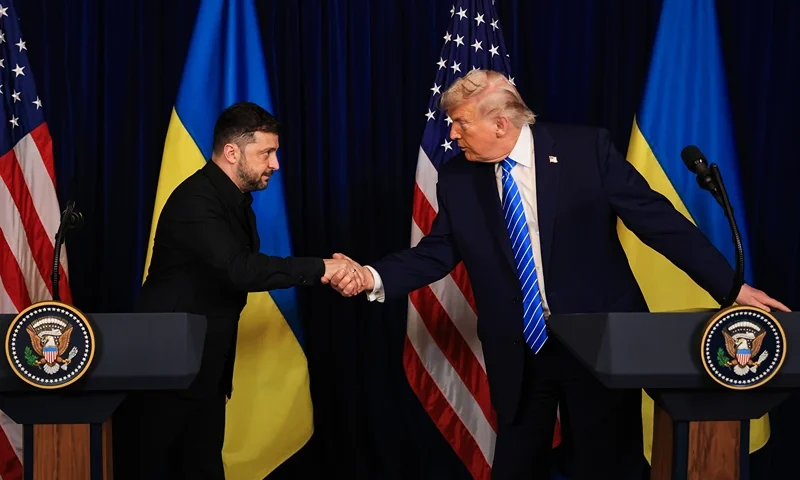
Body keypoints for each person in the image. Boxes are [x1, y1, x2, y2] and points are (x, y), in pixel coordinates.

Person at [328, 70, 789, 480]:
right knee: (515, 465)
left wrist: (734, 288)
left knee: (604, 466)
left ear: (501, 124)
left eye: (461, 123)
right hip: (520, 350)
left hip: (600, 345)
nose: (453, 134)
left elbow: (659, 223)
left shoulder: (585, 150)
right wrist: (372, 276)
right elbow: (437, 252)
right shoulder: (457, 178)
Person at [112, 102, 360, 479]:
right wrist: (322, 267)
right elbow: (239, 271)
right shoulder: (197, 200)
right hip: (164, 365)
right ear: (232, 152)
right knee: (151, 466)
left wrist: (219, 377)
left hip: (202, 367)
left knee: (203, 466)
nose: (275, 164)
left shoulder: (234, 199)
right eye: (267, 152)